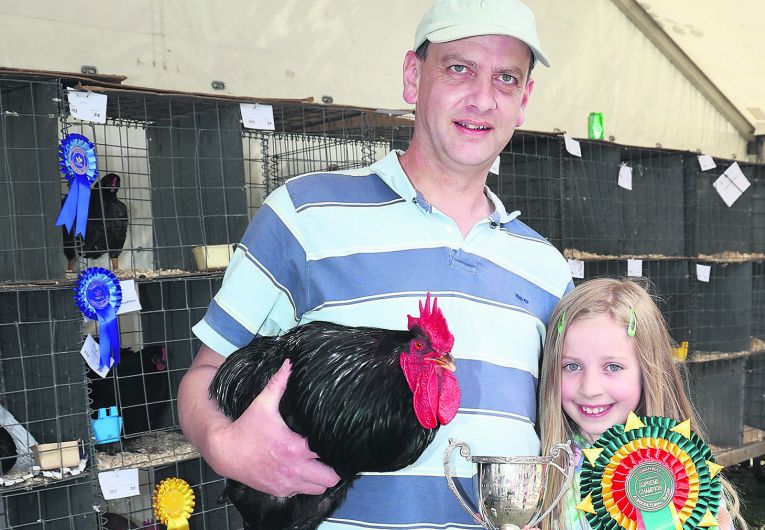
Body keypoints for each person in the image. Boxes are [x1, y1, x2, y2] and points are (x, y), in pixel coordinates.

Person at [177, 0, 571, 528]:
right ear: (413, 76)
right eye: (459, 68)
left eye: (506, 79)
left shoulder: (547, 269)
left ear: (524, 101)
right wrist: (226, 446)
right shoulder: (303, 213)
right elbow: (205, 373)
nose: (482, 98)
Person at [535, 278, 745, 530]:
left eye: (613, 367)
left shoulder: (682, 474)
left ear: (647, 371)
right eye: (572, 366)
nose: (590, 389)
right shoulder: (542, 470)